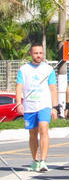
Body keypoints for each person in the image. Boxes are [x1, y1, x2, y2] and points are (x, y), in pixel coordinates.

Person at [15, 43, 58, 172]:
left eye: (40, 53)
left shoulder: (48, 69)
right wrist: (18, 103)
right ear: (31, 54)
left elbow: (53, 88)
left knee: (44, 129)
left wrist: (54, 107)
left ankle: (44, 161)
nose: (38, 55)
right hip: (29, 106)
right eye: (36, 53)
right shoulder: (24, 69)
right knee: (33, 133)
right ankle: (35, 161)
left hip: (44, 105)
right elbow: (19, 87)